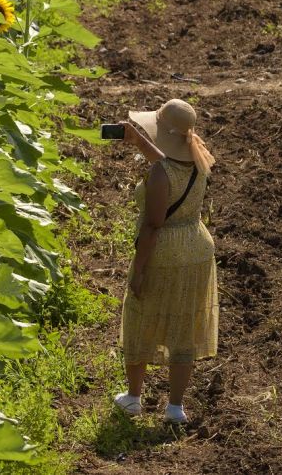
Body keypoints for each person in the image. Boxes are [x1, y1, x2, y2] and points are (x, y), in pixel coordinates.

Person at [112, 99, 218, 424]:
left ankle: (133, 398)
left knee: (141, 318)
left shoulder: (159, 173)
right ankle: (175, 408)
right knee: (184, 325)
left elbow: (153, 225)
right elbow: (169, 166)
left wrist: (139, 270)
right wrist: (140, 142)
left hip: (165, 251)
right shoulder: (197, 156)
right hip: (196, 249)